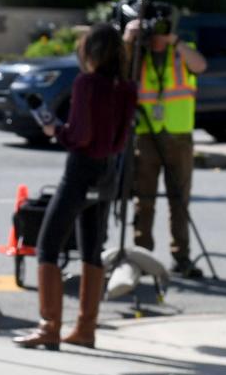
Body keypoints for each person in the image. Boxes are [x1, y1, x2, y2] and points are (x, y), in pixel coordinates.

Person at [14, 24, 137, 351]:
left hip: (80, 169)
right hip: (107, 170)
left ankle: (49, 326)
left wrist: (58, 131)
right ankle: (86, 327)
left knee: (48, 245)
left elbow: (79, 134)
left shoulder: (87, 83)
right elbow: (121, 137)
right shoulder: (125, 87)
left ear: (91, 52)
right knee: (91, 249)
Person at [125, 12, 208, 279]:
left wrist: (176, 41)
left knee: (179, 202)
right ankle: (142, 255)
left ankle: (181, 257)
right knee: (144, 201)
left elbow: (200, 66)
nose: (157, 33)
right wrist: (129, 39)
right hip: (147, 134)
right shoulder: (139, 55)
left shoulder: (182, 52)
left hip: (179, 136)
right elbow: (122, 72)